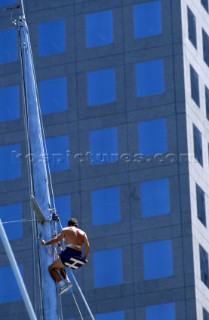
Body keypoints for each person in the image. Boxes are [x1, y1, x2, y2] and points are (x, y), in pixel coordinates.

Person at [41, 217, 90, 295]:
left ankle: (62, 285)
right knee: (60, 265)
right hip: (78, 255)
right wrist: (84, 258)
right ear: (76, 225)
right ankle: (67, 282)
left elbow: (56, 239)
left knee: (51, 268)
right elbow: (87, 246)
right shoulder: (83, 233)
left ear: (69, 225)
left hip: (69, 253)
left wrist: (45, 243)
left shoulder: (66, 229)